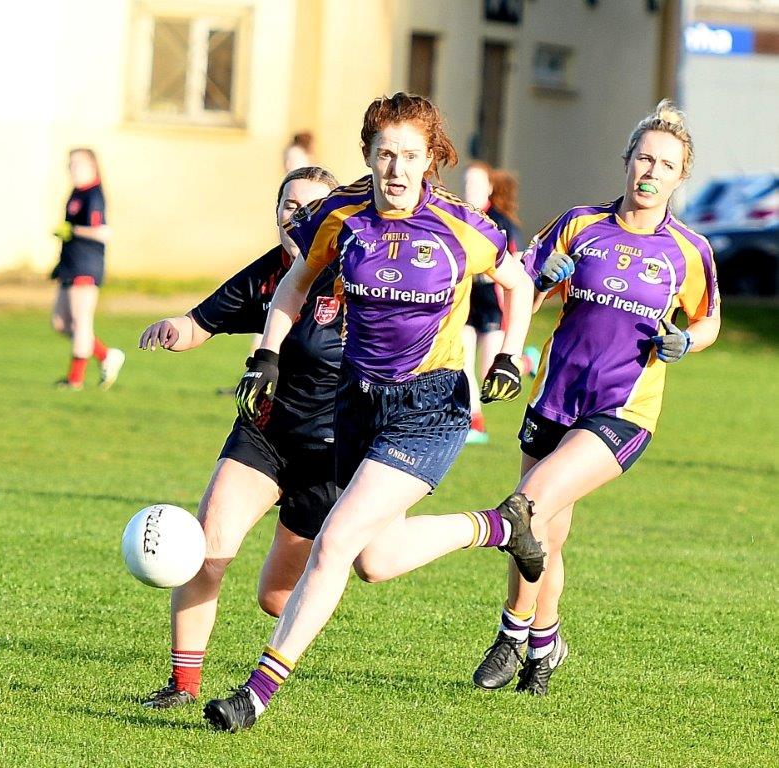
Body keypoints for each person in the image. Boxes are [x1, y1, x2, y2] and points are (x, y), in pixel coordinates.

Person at [203, 92, 541, 732]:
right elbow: (296, 283)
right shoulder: (341, 215)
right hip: (356, 403)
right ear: (367, 154)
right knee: (374, 560)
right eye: (385, 154)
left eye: (410, 155)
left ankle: (255, 694)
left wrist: (507, 358)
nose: (396, 168)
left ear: (430, 160)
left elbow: (517, 282)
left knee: (332, 545)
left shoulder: (462, 226)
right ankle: (500, 526)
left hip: (431, 406)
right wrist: (266, 355)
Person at [471, 99, 721, 696]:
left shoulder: (688, 251)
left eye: (665, 164)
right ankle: (544, 642)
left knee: (524, 508)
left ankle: (511, 636)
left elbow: (708, 320)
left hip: (622, 412)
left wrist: (687, 340)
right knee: (545, 535)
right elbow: (519, 293)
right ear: (627, 160)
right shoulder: (579, 224)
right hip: (554, 398)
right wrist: (543, 279)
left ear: (680, 176)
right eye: (644, 158)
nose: (651, 171)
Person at [137, 166, 342, 709]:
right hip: (264, 435)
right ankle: (183, 686)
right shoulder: (266, 275)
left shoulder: (359, 277)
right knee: (208, 550)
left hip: (330, 454)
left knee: (277, 598)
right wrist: (170, 330)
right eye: (289, 206)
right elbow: (200, 321)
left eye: (312, 206)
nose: (297, 216)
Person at [462, 163, 538, 444]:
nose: (470, 189)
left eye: (476, 184)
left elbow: (516, 270)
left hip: (493, 305)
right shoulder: (458, 217)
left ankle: (527, 362)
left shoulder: (501, 222)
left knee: (488, 372)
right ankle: (475, 423)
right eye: (466, 183)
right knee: (462, 362)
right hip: (466, 303)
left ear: (490, 188)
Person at [50, 148, 124, 390]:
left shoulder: (94, 195)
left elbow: (104, 232)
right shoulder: (76, 192)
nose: (72, 169)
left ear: (92, 166)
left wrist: (74, 231)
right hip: (69, 265)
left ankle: (75, 380)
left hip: (86, 265)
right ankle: (106, 355)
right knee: (60, 323)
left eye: (77, 164)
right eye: (70, 164)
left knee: (82, 322)